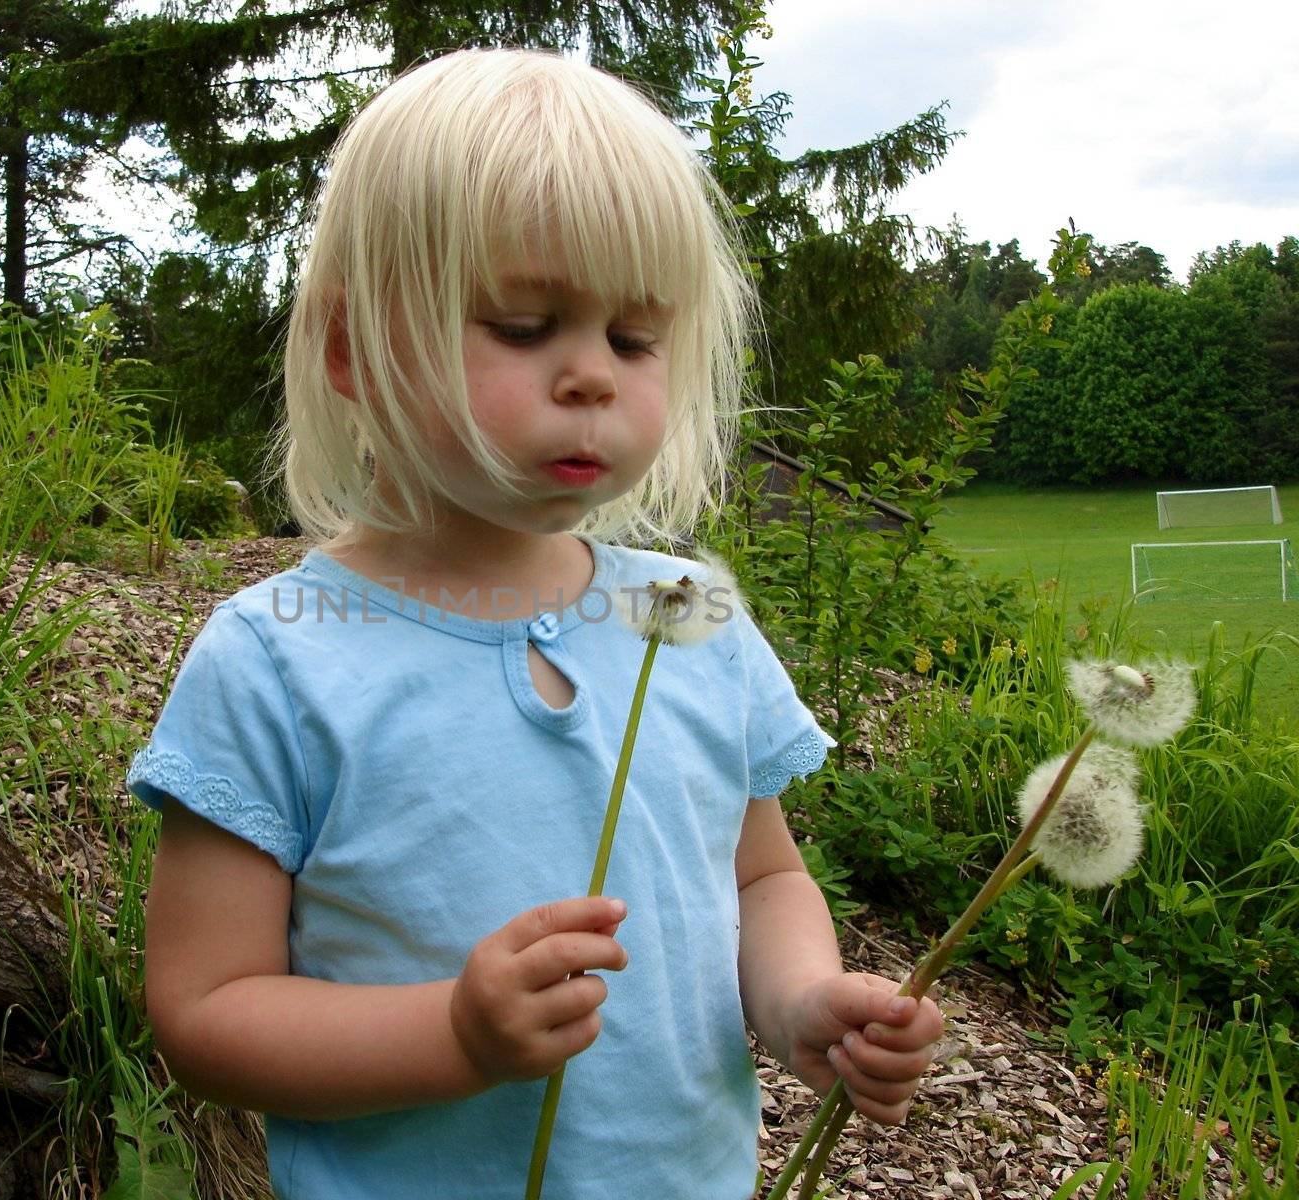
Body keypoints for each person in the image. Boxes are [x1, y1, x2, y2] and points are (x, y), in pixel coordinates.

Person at [130, 47, 943, 1200]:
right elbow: (206, 1012)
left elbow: (760, 881)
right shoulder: (276, 658)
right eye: (522, 324)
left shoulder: (685, 606)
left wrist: (802, 1002)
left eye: (633, 338)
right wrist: (452, 1037)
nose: (591, 378)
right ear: (354, 350)